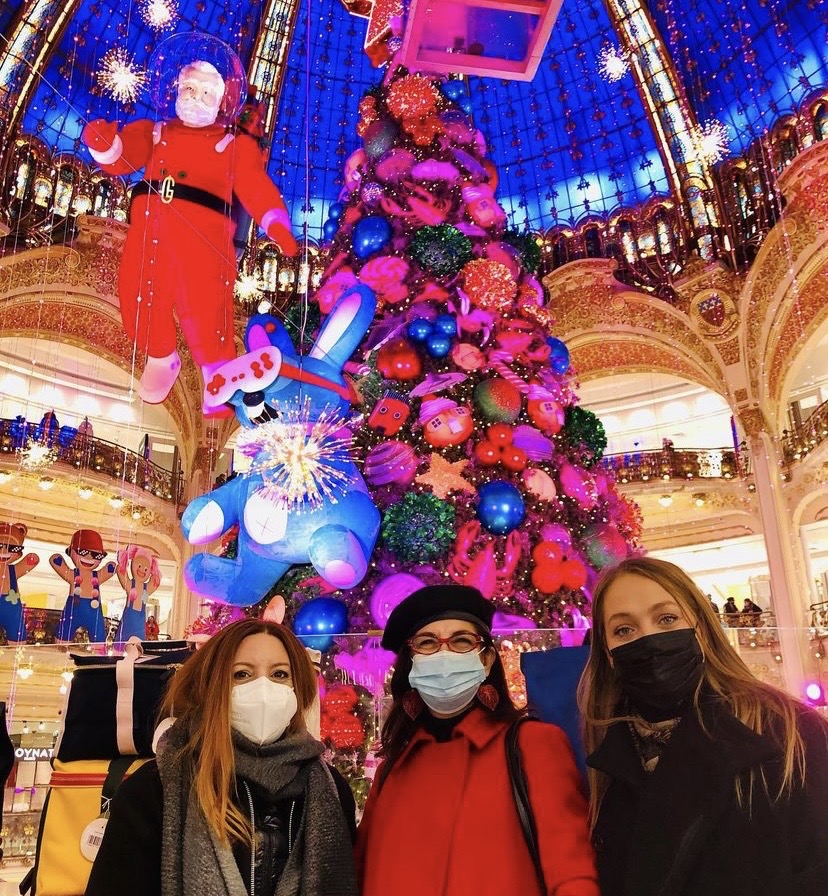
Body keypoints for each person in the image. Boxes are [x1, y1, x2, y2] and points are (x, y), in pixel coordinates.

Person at [578, 557, 828, 896]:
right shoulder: (606, 758)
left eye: (667, 619)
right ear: (608, 653)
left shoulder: (788, 731)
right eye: (624, 629)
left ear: (701, 626)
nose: (649, 640)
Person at [356, 584, 599, 896]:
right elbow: (359, 874)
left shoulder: (532, 745)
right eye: (427, 643)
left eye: (461, 641)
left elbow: (572, 875)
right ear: (411, 662)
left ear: (486, 660)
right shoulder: (392, 769)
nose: (443, 653)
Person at [85, 618, 358, 896]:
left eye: (279, 675)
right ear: (212, 686)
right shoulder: (155, 789)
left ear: (298, 689)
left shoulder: (331, 790)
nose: (263, 688)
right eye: (242, 674)